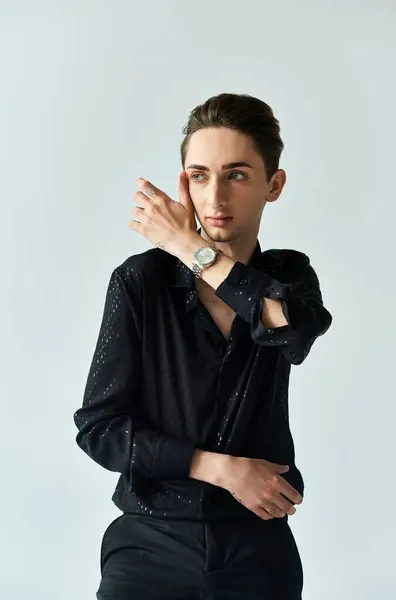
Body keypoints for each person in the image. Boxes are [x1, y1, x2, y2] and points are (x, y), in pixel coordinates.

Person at [73, 92, 332, 599]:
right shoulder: (139, 282)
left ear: (273, 185)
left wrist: (190, 249)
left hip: (257, 546)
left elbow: (292, 332)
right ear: (183, 183)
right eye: (199, 176)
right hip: (149, 543)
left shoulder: (288, 275)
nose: (214, 199)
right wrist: (218, 468)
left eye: (236, 175)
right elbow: (100, 430)